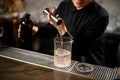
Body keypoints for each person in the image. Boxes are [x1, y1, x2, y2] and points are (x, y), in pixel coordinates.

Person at [18, 0, 109, 66]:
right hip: (65, 61)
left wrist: (62, 29)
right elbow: (51, 30)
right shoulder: (65, 5)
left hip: (89, 65)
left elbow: (80, 49)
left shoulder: (101, 16)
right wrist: (35, 31)